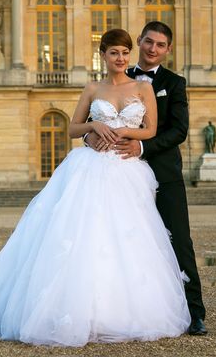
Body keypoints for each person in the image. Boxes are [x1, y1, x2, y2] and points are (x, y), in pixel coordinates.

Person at [0, 29, 191, 347]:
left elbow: (152, 129)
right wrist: (92, 127)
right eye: (114, 52)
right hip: (90, 166)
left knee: (127, 236)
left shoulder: (144, 88)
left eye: (125, 52)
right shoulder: (92, 87)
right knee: (84, 233)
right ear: (103, 55)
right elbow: (72, 127)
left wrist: (125, 131)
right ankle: (80, 309)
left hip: (127, 169)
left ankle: (116, 310)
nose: (120, 58)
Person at [85, 21, 207, 336]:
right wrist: (90, 140)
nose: (153, 49)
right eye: (149, 42)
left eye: (160, 45)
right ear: (139, 41)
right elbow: (93, 121)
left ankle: (194, 313)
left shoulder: (174, 83)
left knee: (178, 239)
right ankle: (118, 309)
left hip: (162, 173)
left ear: (167, 50)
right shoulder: (114, 79)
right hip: (116, 173)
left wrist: (142, 146)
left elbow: (178, 130)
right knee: (116, 239)